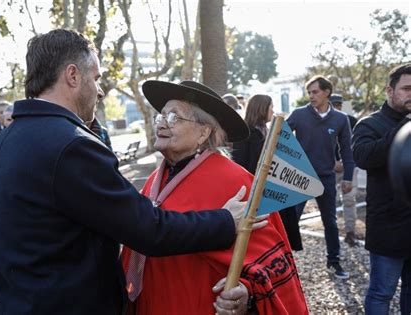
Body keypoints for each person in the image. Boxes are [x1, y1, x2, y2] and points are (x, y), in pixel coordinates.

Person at [0, 29, 259, 314]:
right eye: (97, 77)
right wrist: (226, 221)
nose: (100, 90)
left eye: (174, 117)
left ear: (205, 131)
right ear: (73, 76)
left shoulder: (6, 138)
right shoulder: (72, 146)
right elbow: (148, 230)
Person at [122, 81, 308, 315]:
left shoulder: (235, 182)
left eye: (174, 117)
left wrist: (246, 291)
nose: (161, 124)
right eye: (161, 116)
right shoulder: (154, 180)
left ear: (204, 132)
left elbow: (271, 262)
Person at [352, 63, 411, 314]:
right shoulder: (369, 124)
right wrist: (405, 126)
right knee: (381, 293)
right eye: (407, 89)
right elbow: (364, 157)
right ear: (389, 90)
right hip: (388, 226)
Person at [287, 75, 354, 279]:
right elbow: (279, 139)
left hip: (325, 178)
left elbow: (347, 151)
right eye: (309, 92)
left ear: (327, 93)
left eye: (315, 92)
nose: (311, 96)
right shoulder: (298, 115)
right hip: (300, 177)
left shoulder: (341, 119)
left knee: (330, 223)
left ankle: (333, 262)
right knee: (289, 221)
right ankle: (281, 263)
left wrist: (348, 177)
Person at [232, 94, 303, 251]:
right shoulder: (246, 134)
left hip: (273, 192)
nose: (273, 111)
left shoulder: (268, 132)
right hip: (257, 195)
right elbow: (240, 164)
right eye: (271, 107)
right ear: (262, 109)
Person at [329, 94, 359, 247]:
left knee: (349, 200)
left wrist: (347, 162)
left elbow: (356, 144)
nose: (337, 107)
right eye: (334, 104)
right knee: (329, 201)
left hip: (349, 165)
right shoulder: (322, 121)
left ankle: (350, 232)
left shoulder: (351, 121)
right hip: (330, 166)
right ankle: (332, 235)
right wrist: (333, 162)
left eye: (339, 104)